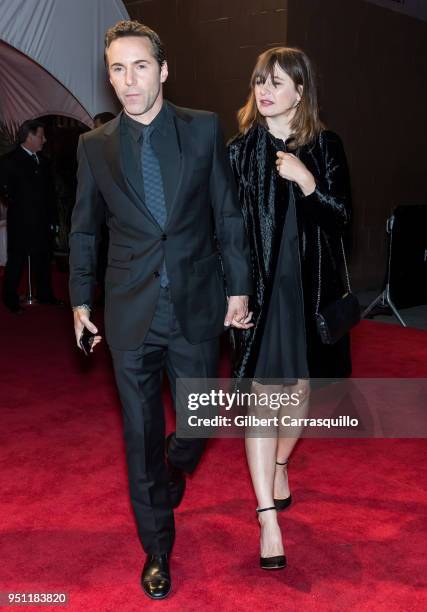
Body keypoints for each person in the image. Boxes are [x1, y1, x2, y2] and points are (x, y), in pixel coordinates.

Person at [68, 20, 252, 600]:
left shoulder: (202, 130)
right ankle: (157, 548)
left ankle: (177, 462)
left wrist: (239, 288)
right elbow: (83, 229)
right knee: (140, 434)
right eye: (117, 69)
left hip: (196, 304)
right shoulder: (93, 146)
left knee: (198, 420)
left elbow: (227, 213)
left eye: (140, 66)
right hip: (129, 313)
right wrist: (78, 299)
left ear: (163, 70)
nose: (128, 80)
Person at [228, 47, 352, 570]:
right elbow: (227, 232)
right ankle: (266, 516)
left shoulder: (325, 146)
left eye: (277, 82)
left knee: (297, 392)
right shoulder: (239, 152)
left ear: (300, 91)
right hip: (259, 298)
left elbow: (343, 218)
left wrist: (306, 182)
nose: (265, 90)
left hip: (308, 292)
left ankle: (280, 463)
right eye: (260, 81)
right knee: (261, 399)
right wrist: (231, 293)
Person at [0, 120, 63, 313]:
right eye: (41, 136)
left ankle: (45, 295)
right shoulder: (9, 160)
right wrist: (18, 203)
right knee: (16, 260)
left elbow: (51, 193)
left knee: (43, 259)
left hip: (43, 221)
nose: (44, 140)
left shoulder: (43, 161)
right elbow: (4, 189)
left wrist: (54, 220)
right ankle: (10, 299)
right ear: (29, 136)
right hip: (21, 221)